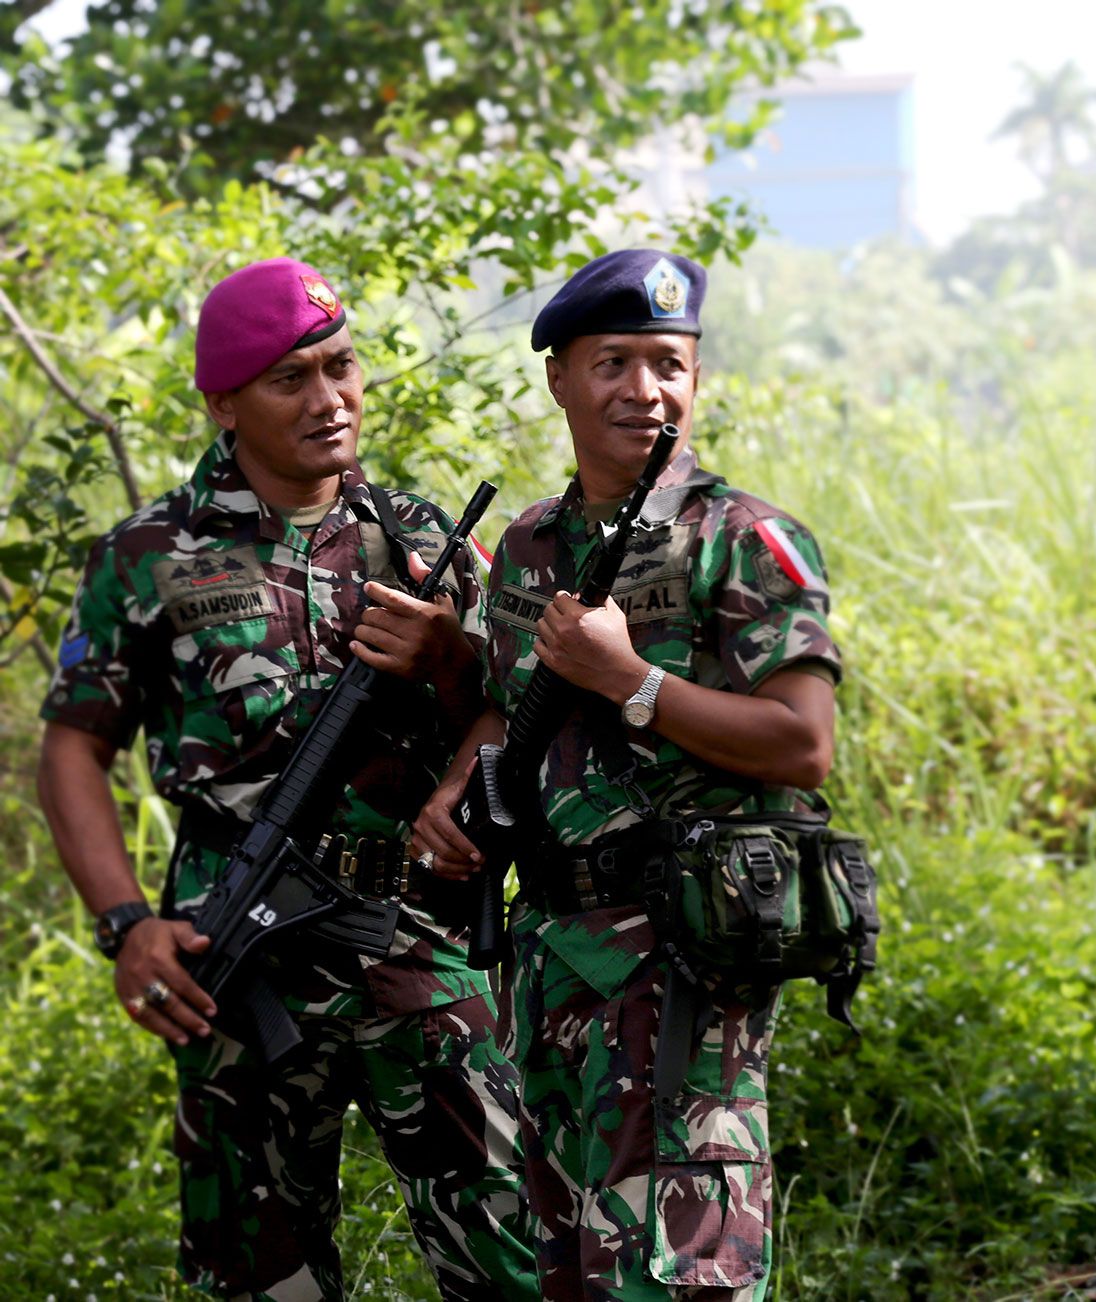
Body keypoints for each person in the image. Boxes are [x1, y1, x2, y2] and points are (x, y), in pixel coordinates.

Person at [37, 258, 539, 1300]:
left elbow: (509, 711)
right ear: (222, 403)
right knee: (261, 1275)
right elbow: (74, 748)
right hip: (237, 947)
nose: (329, 400)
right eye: (289, 380)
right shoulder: (149, 555)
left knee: (509, 1248)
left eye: (341, 366)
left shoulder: (420, 540)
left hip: (416, 938)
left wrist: (448, 654)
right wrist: (126, 924)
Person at [411, 248, 842, 1300]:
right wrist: (453, 795)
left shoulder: (741, 539)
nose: (643, 391)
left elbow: (802, 742)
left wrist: (632, 681)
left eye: (667, 364)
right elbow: (509, 710)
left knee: (684, 1271)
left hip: (683, 960)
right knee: (569, 1268)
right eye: (613, 363)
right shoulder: (526, 549)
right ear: (559, 377)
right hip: (551, 966)